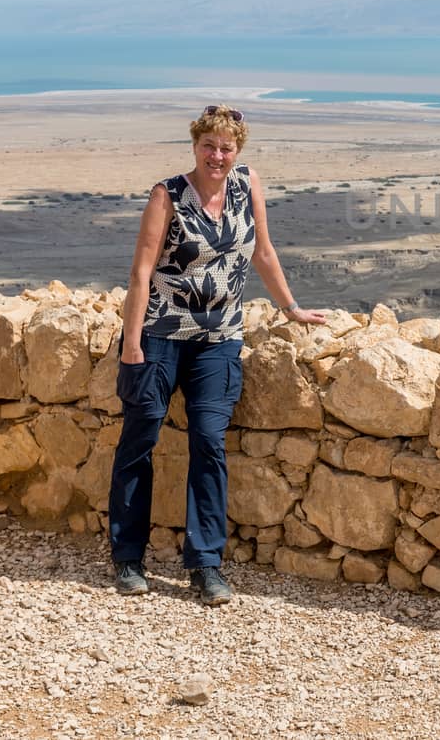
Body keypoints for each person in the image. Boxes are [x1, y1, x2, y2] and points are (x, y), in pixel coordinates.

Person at [108, 104, 326, 604]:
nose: (218, 155)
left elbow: (263, 252)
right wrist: (134, 342)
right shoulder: (168, 195)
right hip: (161, 336)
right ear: (195, 146)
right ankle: (127, 556)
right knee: (140, 439)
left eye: (227, 147)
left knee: (209, 443)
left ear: (237, 151)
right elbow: (141, 272)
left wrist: (290, 308)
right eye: (209, 145)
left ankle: (205, 565)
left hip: (219, 339)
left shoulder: (247, 185)